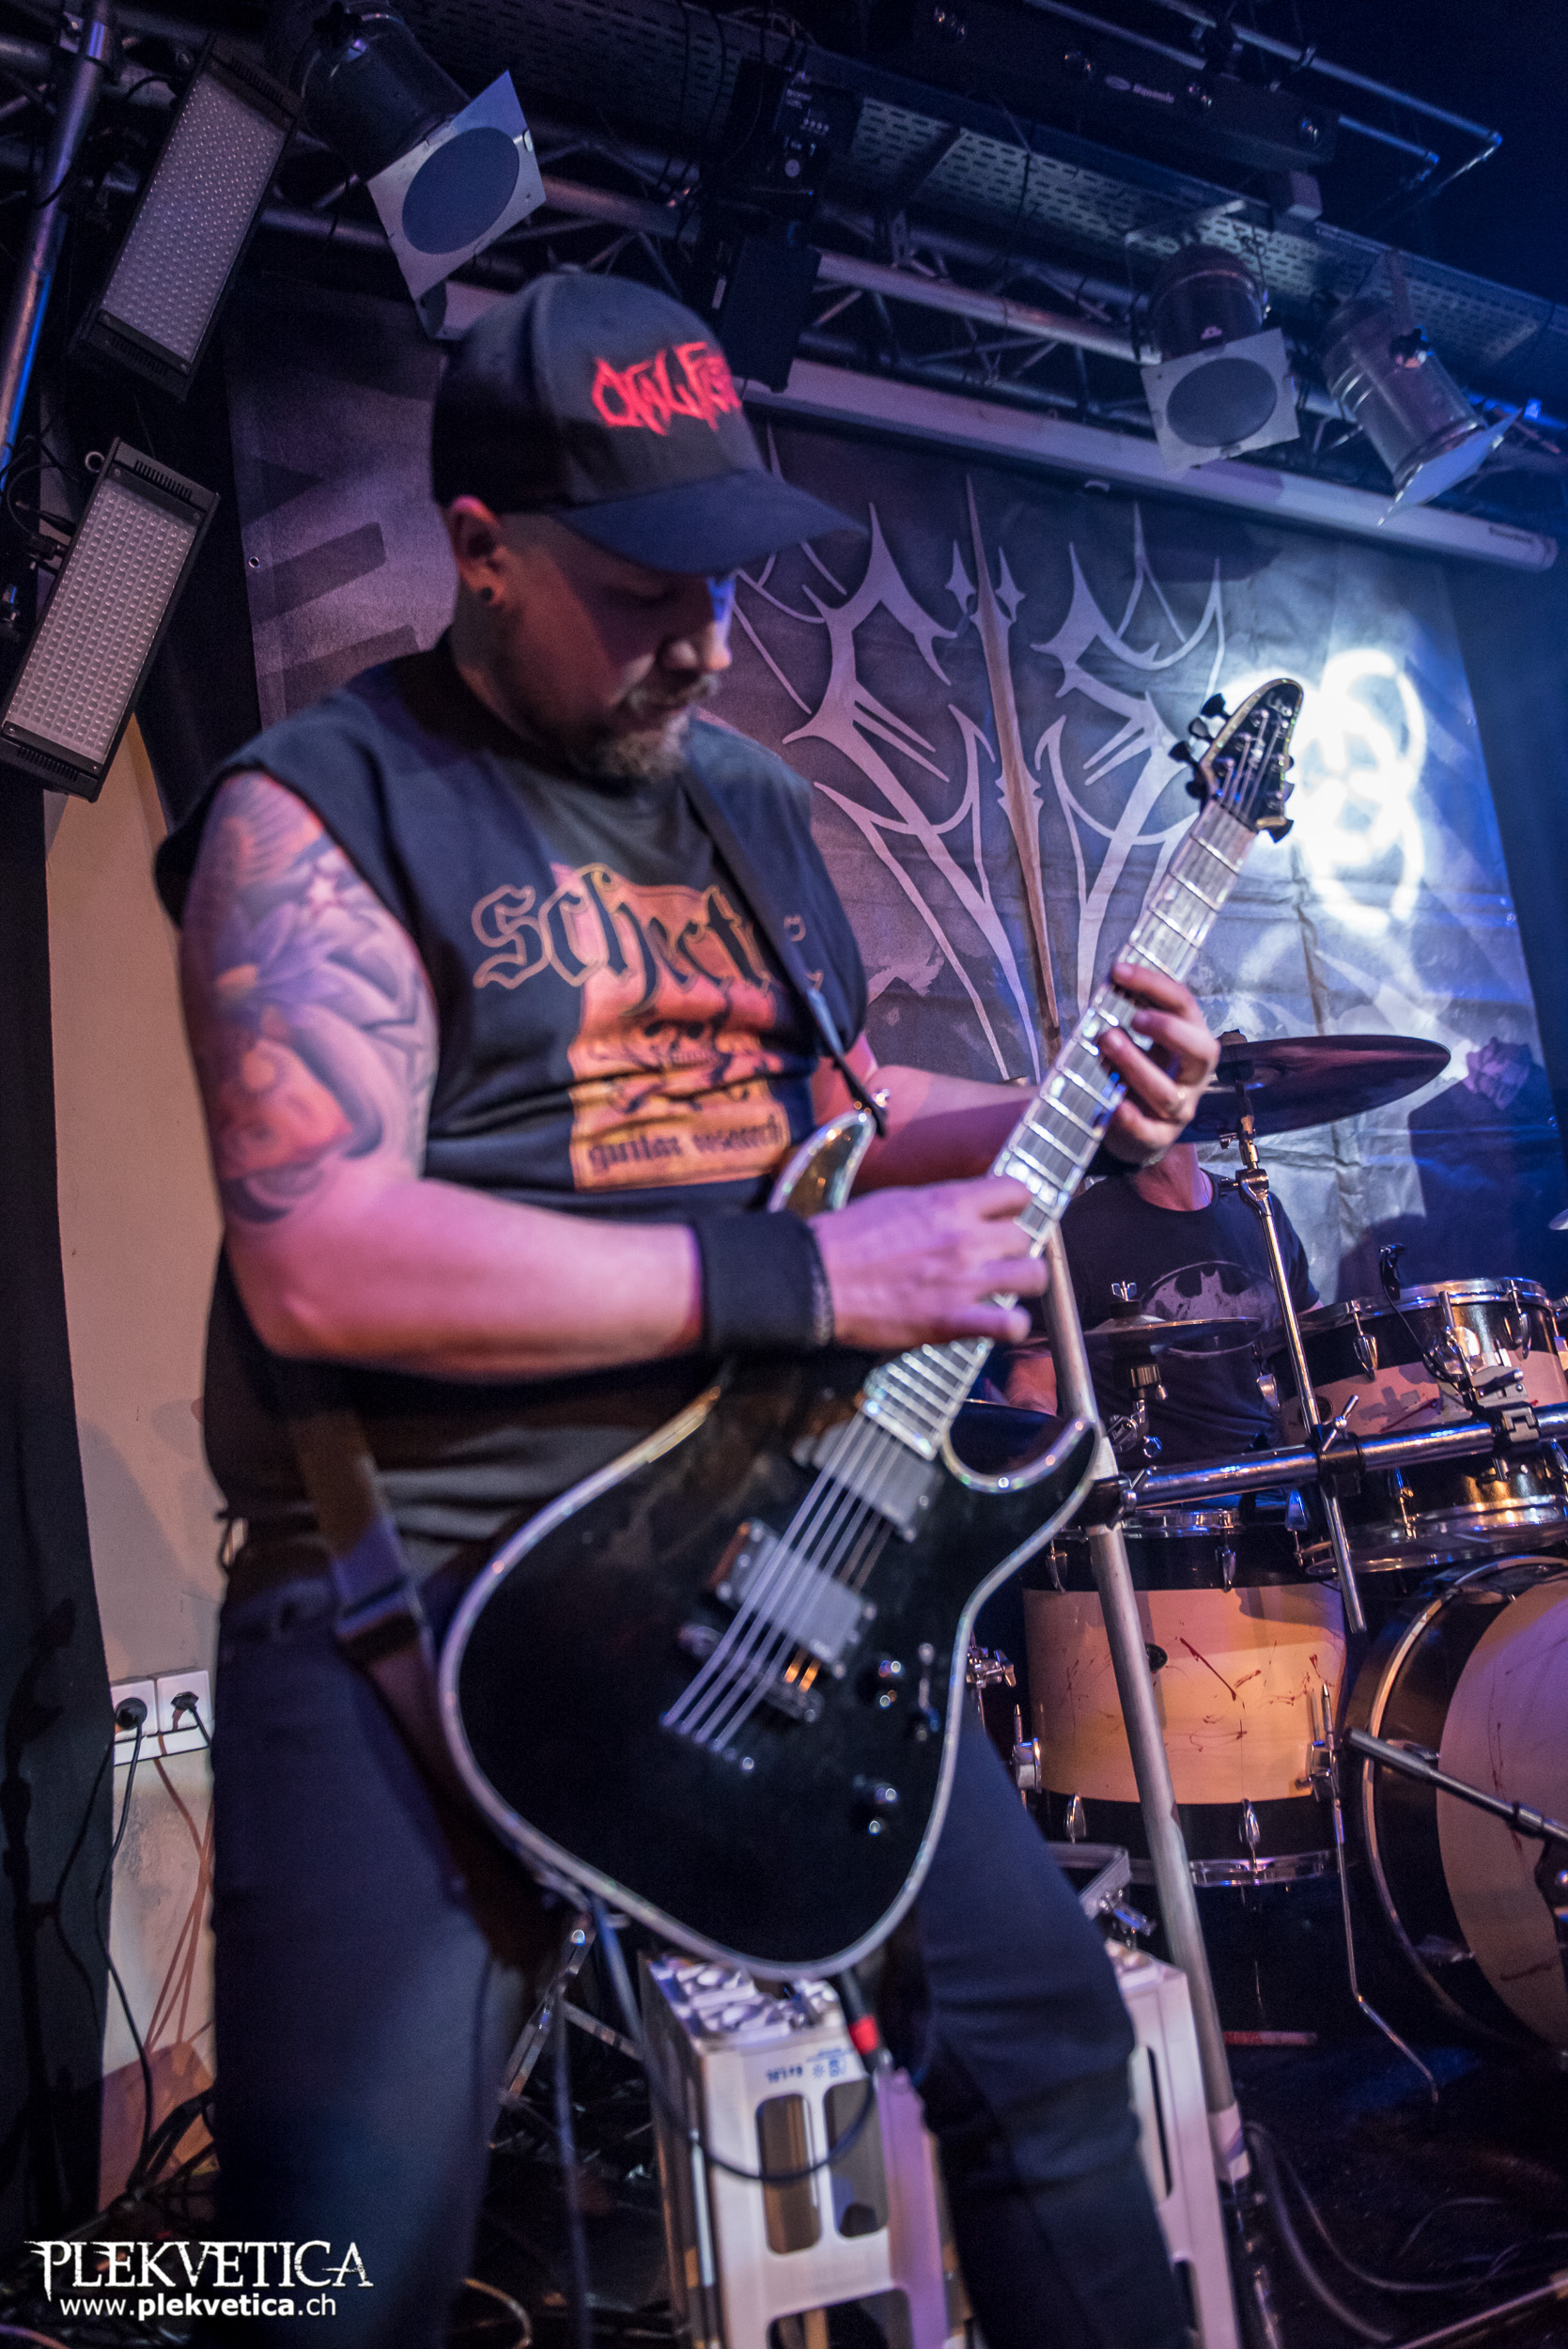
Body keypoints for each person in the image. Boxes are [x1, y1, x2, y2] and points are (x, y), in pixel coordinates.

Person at [155, 272, 1221, 2348]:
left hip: (765, 1560)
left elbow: (834, 1117)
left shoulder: (750, 802)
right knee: (318, 2279)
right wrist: (807, 1275)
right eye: (645, 589)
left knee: (1049, 2052)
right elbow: (323, 1249)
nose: (707, 640)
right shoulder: (314, 803)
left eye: (723, 580)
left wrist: (1061, 1102)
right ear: (482, 549)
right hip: (426, 1596)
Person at [1001, 1140, 1316, 1462]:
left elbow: (1312, 1336)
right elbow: (1033, 1380)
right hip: (1156, 1482)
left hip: (1277, 1468)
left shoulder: (1257, 1209)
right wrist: (1037, 1439)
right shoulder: (1071, 1233)